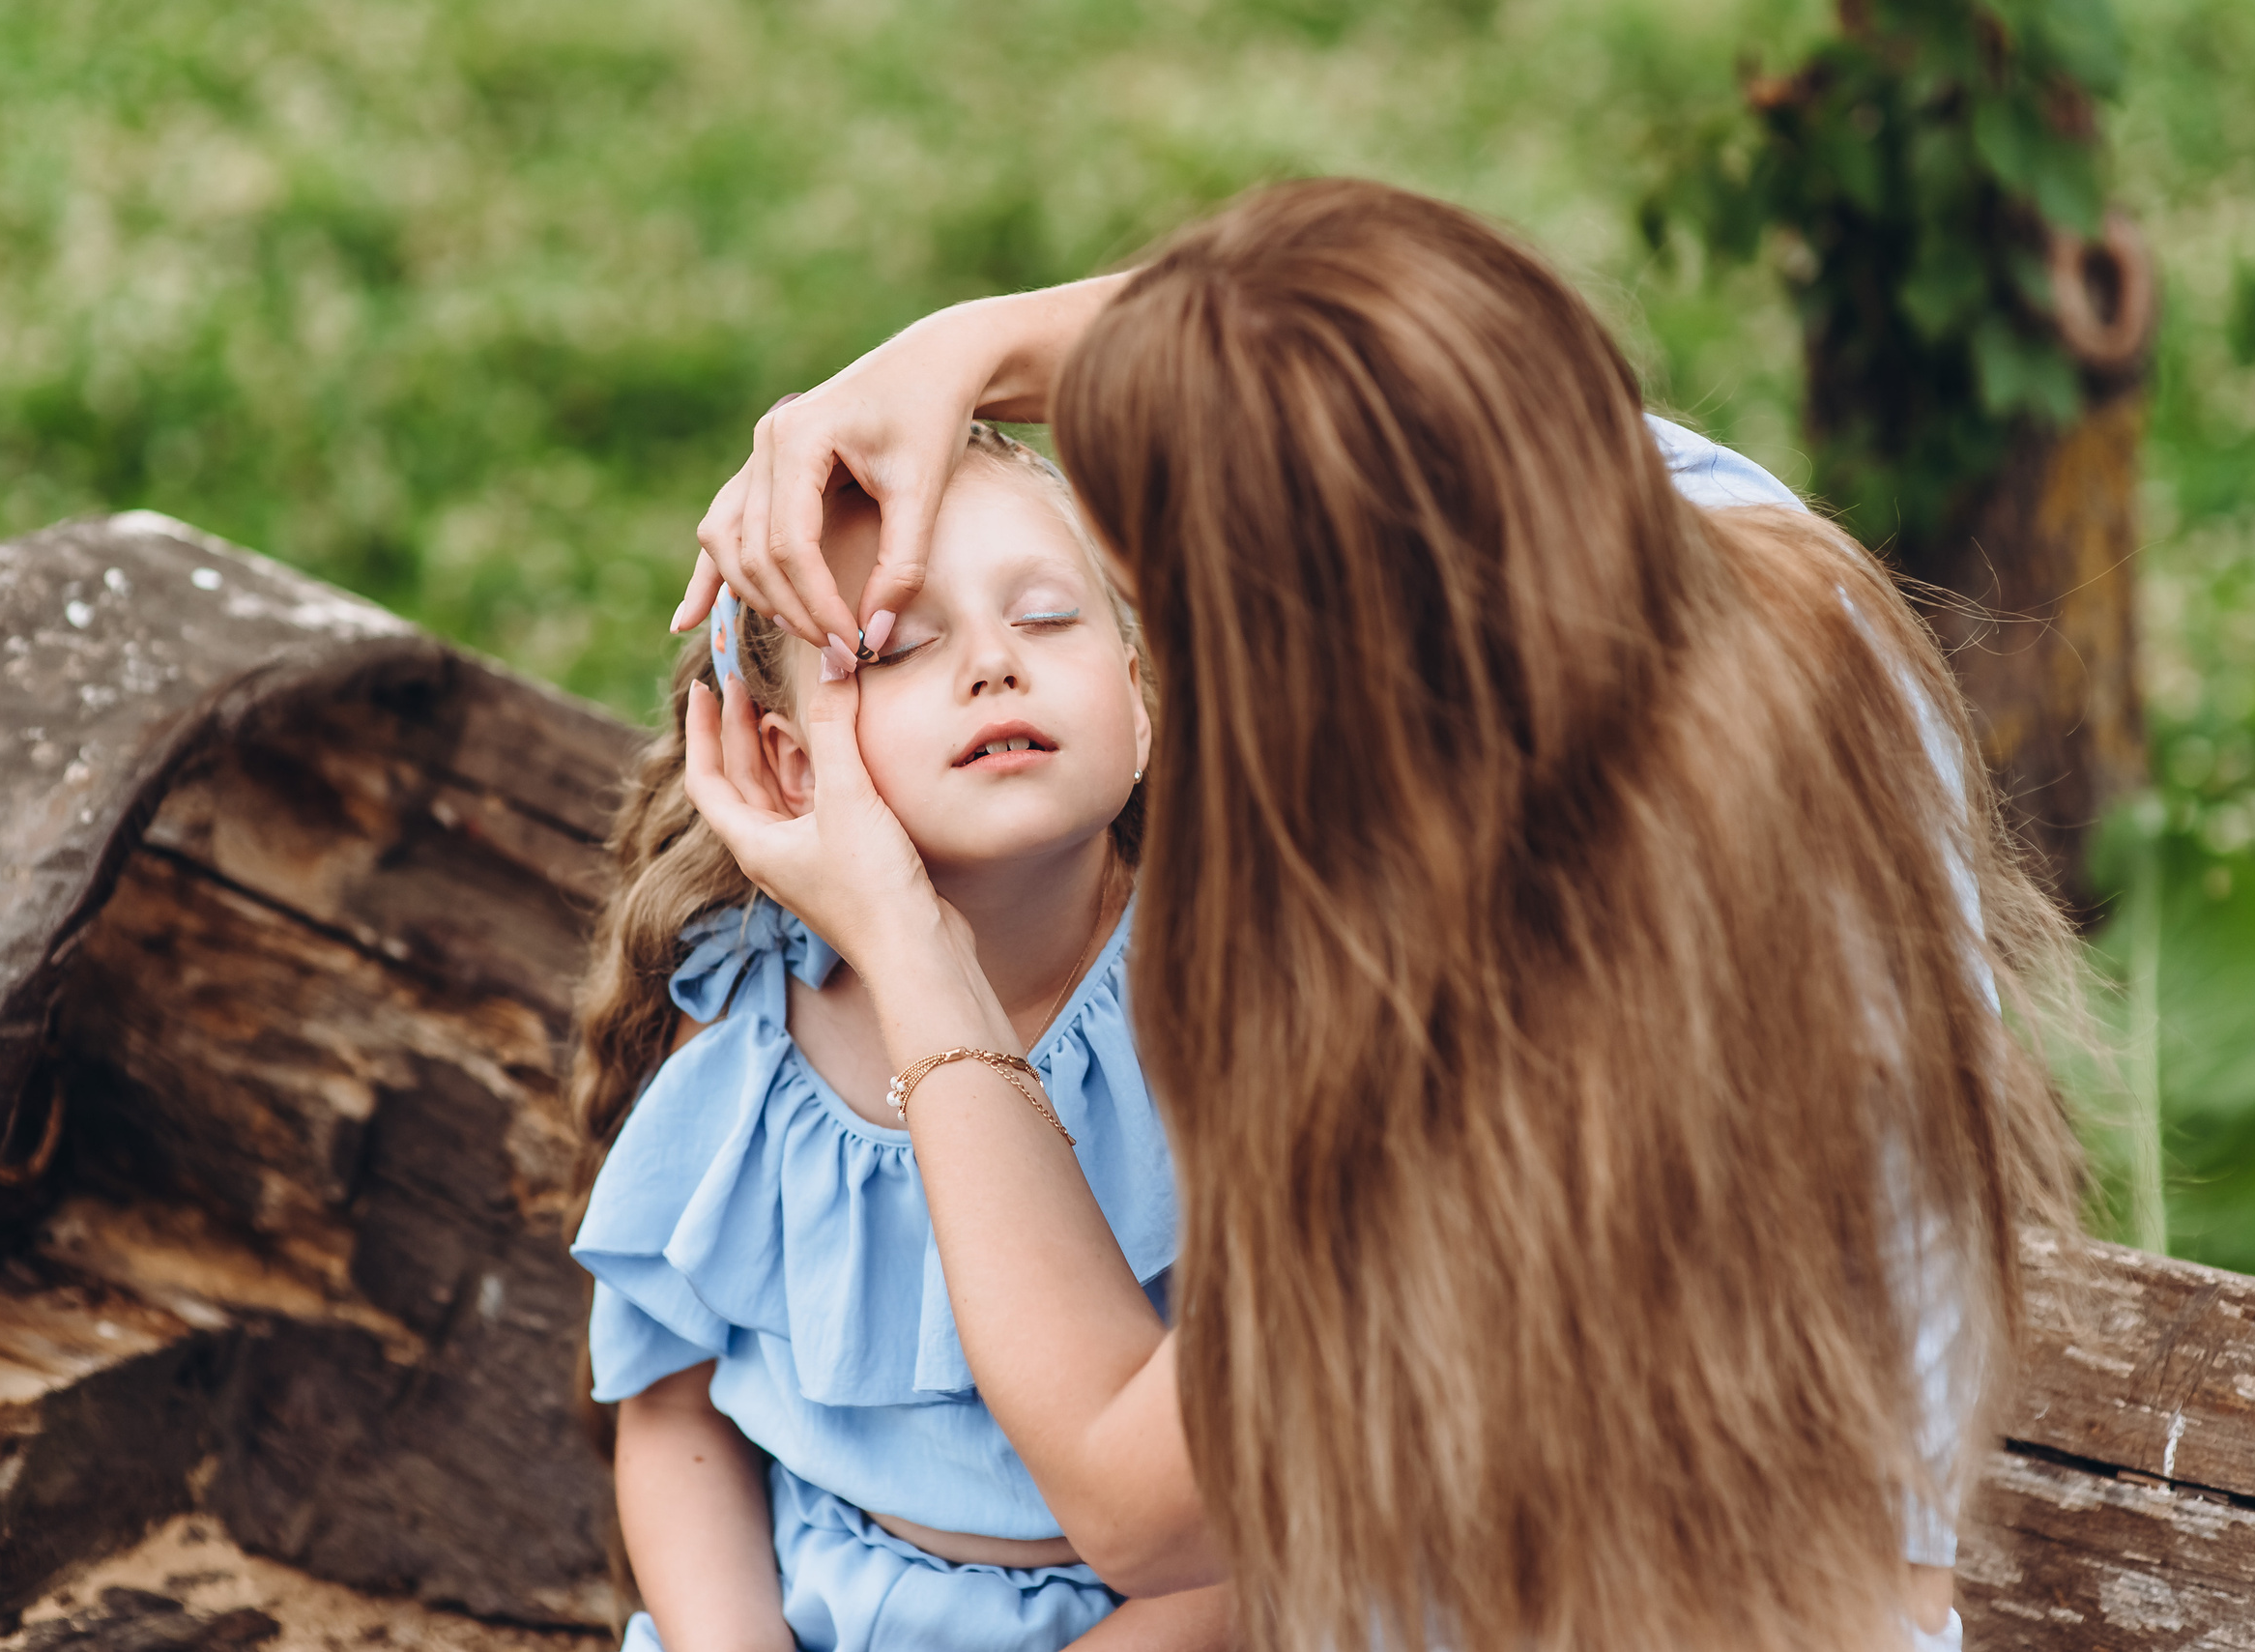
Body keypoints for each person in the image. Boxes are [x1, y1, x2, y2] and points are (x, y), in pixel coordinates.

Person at [677, 180, 2082, 1652]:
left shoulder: (1477, 1029)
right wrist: (966, 349)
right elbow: (1416, 387)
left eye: (1127, 610)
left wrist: (908, 942)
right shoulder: (1750, 565)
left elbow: (1137, 1497)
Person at [566, 426, 1235, 1652]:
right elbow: (676, 1412)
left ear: (1140, 703)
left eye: (1047, 617)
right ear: (786, 764)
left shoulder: (1233, 1008)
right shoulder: (747, 1017)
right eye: (901, 643)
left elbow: (1292, 1504)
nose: (992, 663)